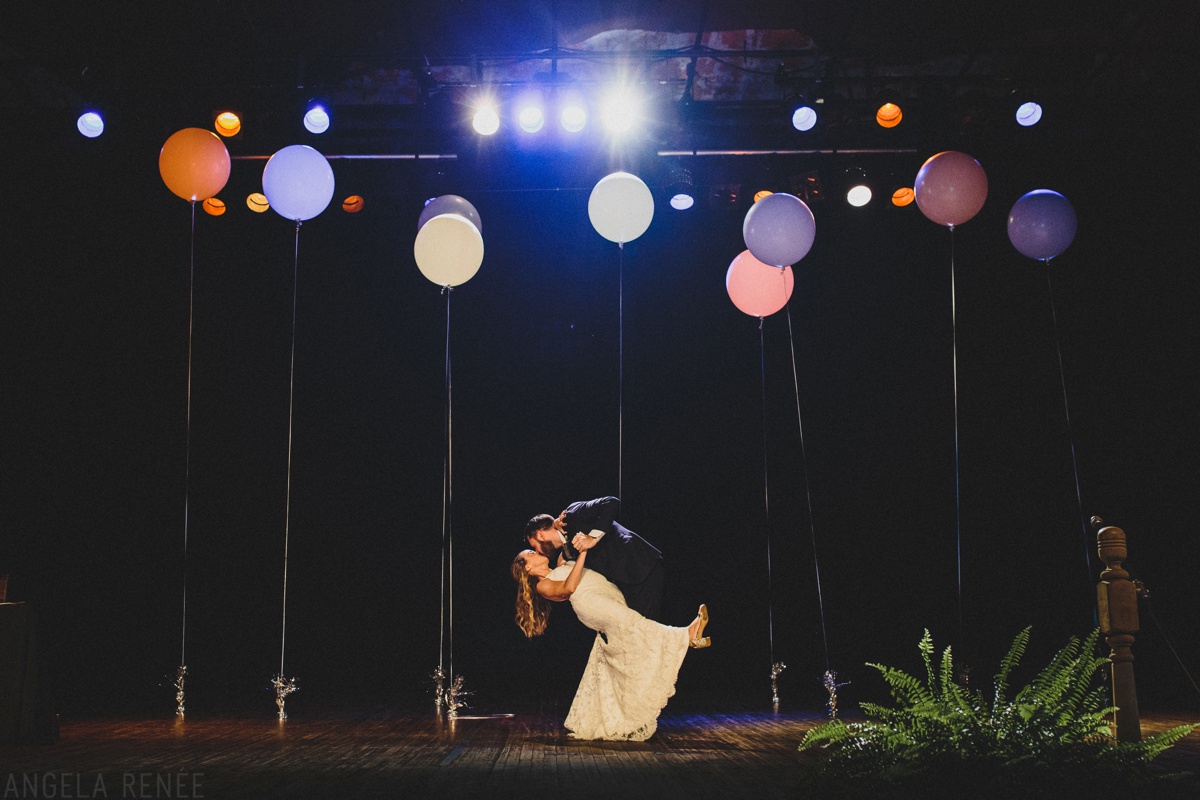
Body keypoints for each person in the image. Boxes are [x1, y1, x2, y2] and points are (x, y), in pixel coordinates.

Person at [511, 545, 710, 741]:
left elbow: (563, 540)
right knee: (635, 625)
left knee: (629, 643)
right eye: (530, 554)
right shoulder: (543, 584)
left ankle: (619, 711)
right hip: (591, 603)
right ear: (527, 568)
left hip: (606, 595)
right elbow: (569, 587)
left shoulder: (559, 564)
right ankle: (686, 635)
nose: (536, 552)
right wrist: (583, 554)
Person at [525, 496, 665, 622]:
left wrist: (593, 538)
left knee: (645, 631)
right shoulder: (567, 551)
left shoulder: (571, 515)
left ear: (541, 535)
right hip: (626, 583)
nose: (538, 551)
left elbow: (611, 502)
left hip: (640, 566)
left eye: (535, 546)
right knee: (638, 632)